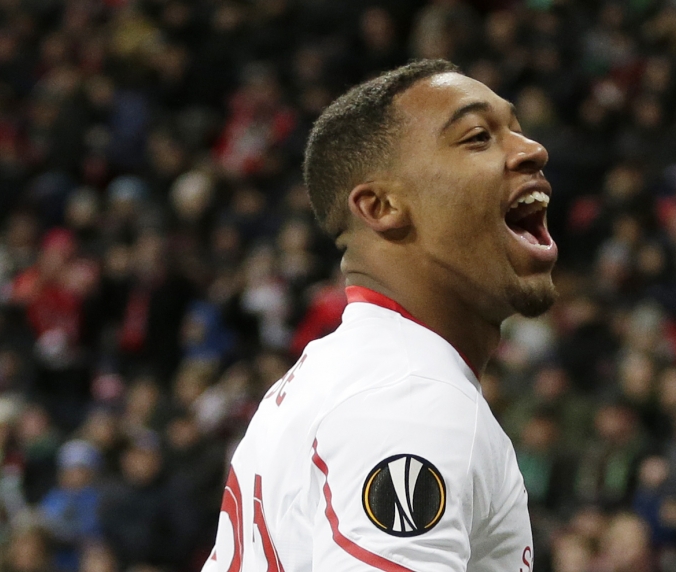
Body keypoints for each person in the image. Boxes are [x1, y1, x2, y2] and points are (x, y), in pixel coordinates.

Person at [202, 59, 557, 571]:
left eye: (517, 130)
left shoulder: (333, 376)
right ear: (382, 206)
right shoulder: (408, 398)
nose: (532, 149)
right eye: (478, 137)